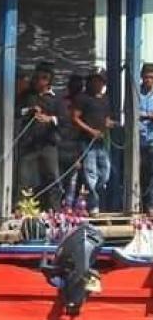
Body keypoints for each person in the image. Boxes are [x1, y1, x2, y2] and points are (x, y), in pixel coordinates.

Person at [17, 63, 62, 211]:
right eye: (36, 77)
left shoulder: (56, 99)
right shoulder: (27, 96)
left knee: (52, 177)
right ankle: (23, 209)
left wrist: (50, 119)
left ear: (49, 81)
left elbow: (65, 120)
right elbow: (16, 111)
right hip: (29, 143)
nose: (39, 81)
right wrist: (29, 111)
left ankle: (54, 211)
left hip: (48, 144)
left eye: (43, 78)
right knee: (24, 178)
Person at [72, 69, 117, 213]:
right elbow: (75, 118)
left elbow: (106, 118)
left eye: (100, 81)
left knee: (105, 173)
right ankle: (93, 206)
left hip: (101, 142)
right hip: (87, 141)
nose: (97, 83)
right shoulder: (82, 98)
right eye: (94, 80)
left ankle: (89, 198)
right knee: (90, 173)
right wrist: (91, 131)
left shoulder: (105, 99)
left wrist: (109, 123)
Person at [57, 74, 87, 206]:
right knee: (61, 177)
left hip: (79, 144)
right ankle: (62, 203)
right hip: (62, 143)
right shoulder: (62, 103)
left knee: (76, 179)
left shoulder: (85, 103)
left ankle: (71, 204)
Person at [140, 64, 153, 213]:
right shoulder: (137, 93)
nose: (148, 80)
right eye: (146, 77)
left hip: (151, 140)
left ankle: (150, 205)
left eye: (151, 77)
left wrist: (147, 116)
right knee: (143, 175)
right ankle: (144, 204)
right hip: (139, 140)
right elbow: (130, 112)